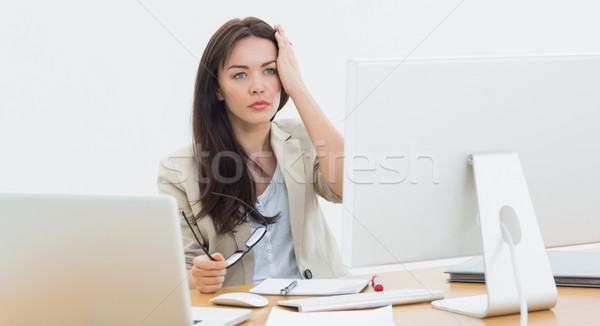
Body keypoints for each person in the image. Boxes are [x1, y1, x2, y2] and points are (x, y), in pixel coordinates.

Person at [158, 17, 347, 293]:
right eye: (240, 74)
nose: (258, 86)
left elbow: (345, 186)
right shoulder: (178, 170)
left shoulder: (302, 138)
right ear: (216, 89)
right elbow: (182, 269)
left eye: (269, 71)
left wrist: (298, 89)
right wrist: (198, 276)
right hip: (242, 311)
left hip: (317, 303)